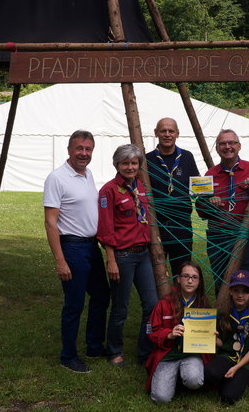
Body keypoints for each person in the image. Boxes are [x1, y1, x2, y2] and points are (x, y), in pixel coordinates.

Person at [43, 130, 110, 373]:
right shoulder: (57, 178)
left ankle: (94, 345)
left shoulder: (87, 174)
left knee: (101, 296)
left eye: (88, 149)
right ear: (69, 149)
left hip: (91, 246)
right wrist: (60, 260)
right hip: (72, 246)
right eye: (79, 148)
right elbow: (50, 223)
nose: (84, 153)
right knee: (74, 303)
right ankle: (68, 355)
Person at [97, 144, 159, 366]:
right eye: (125, 163)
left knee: (151, 305)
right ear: (117, 165)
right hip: (122, 257)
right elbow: (105, 229)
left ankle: (145, 351)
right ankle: (114, 351)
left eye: (134, 163)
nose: (130, 167)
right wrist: (111, 259)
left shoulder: (141, 188)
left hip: (143, 255)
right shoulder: (109, 191)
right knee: (120, 307)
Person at [196, 129, 249, 295]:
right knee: (221, 281)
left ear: (239, 146)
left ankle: (247, 319)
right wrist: (210, 204)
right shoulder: (210, 175)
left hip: (244, 235)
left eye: (231, 143)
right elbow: (200, 210)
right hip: (218, 237)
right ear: (217, 148)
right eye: (222, 143)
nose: (227, 147)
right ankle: (224, 318)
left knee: (246, 281)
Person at [145, 261, 212, 403]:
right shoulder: (164, 303)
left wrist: (210, 335)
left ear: (199, 281)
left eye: (194, 277)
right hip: (168, 354)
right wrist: (168, 334)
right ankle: (172, 378)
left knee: (194, 381)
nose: (190, 281)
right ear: (178, 278)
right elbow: (151, 331)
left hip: (192, 354)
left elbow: (207, 334)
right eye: (186, 276)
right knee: (160, 398)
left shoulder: (203, 303)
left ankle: (182, 377)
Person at [204, 269, 249, 405]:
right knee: (209, 373)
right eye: (237, 290)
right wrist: (213, 339)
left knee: (228, 397)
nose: (240, 295)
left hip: (247, 361)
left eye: (245, 291)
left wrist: (236, 368)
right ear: (230, 291)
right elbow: (223, 343)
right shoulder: (223, 313)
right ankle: (232, 378)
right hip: (228, 355)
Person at [145, 118, 200, 274]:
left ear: (177, 134)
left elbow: (197, 185)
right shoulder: (146, 159)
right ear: (156, 133)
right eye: (163, 131)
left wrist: (207, 193)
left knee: (182, 272)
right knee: (156, 273)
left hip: (181, 226)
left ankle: (180, 299)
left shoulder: (187, 157)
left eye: (171, 131)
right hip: (156, 227)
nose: (167, 134)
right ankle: (159, 299)